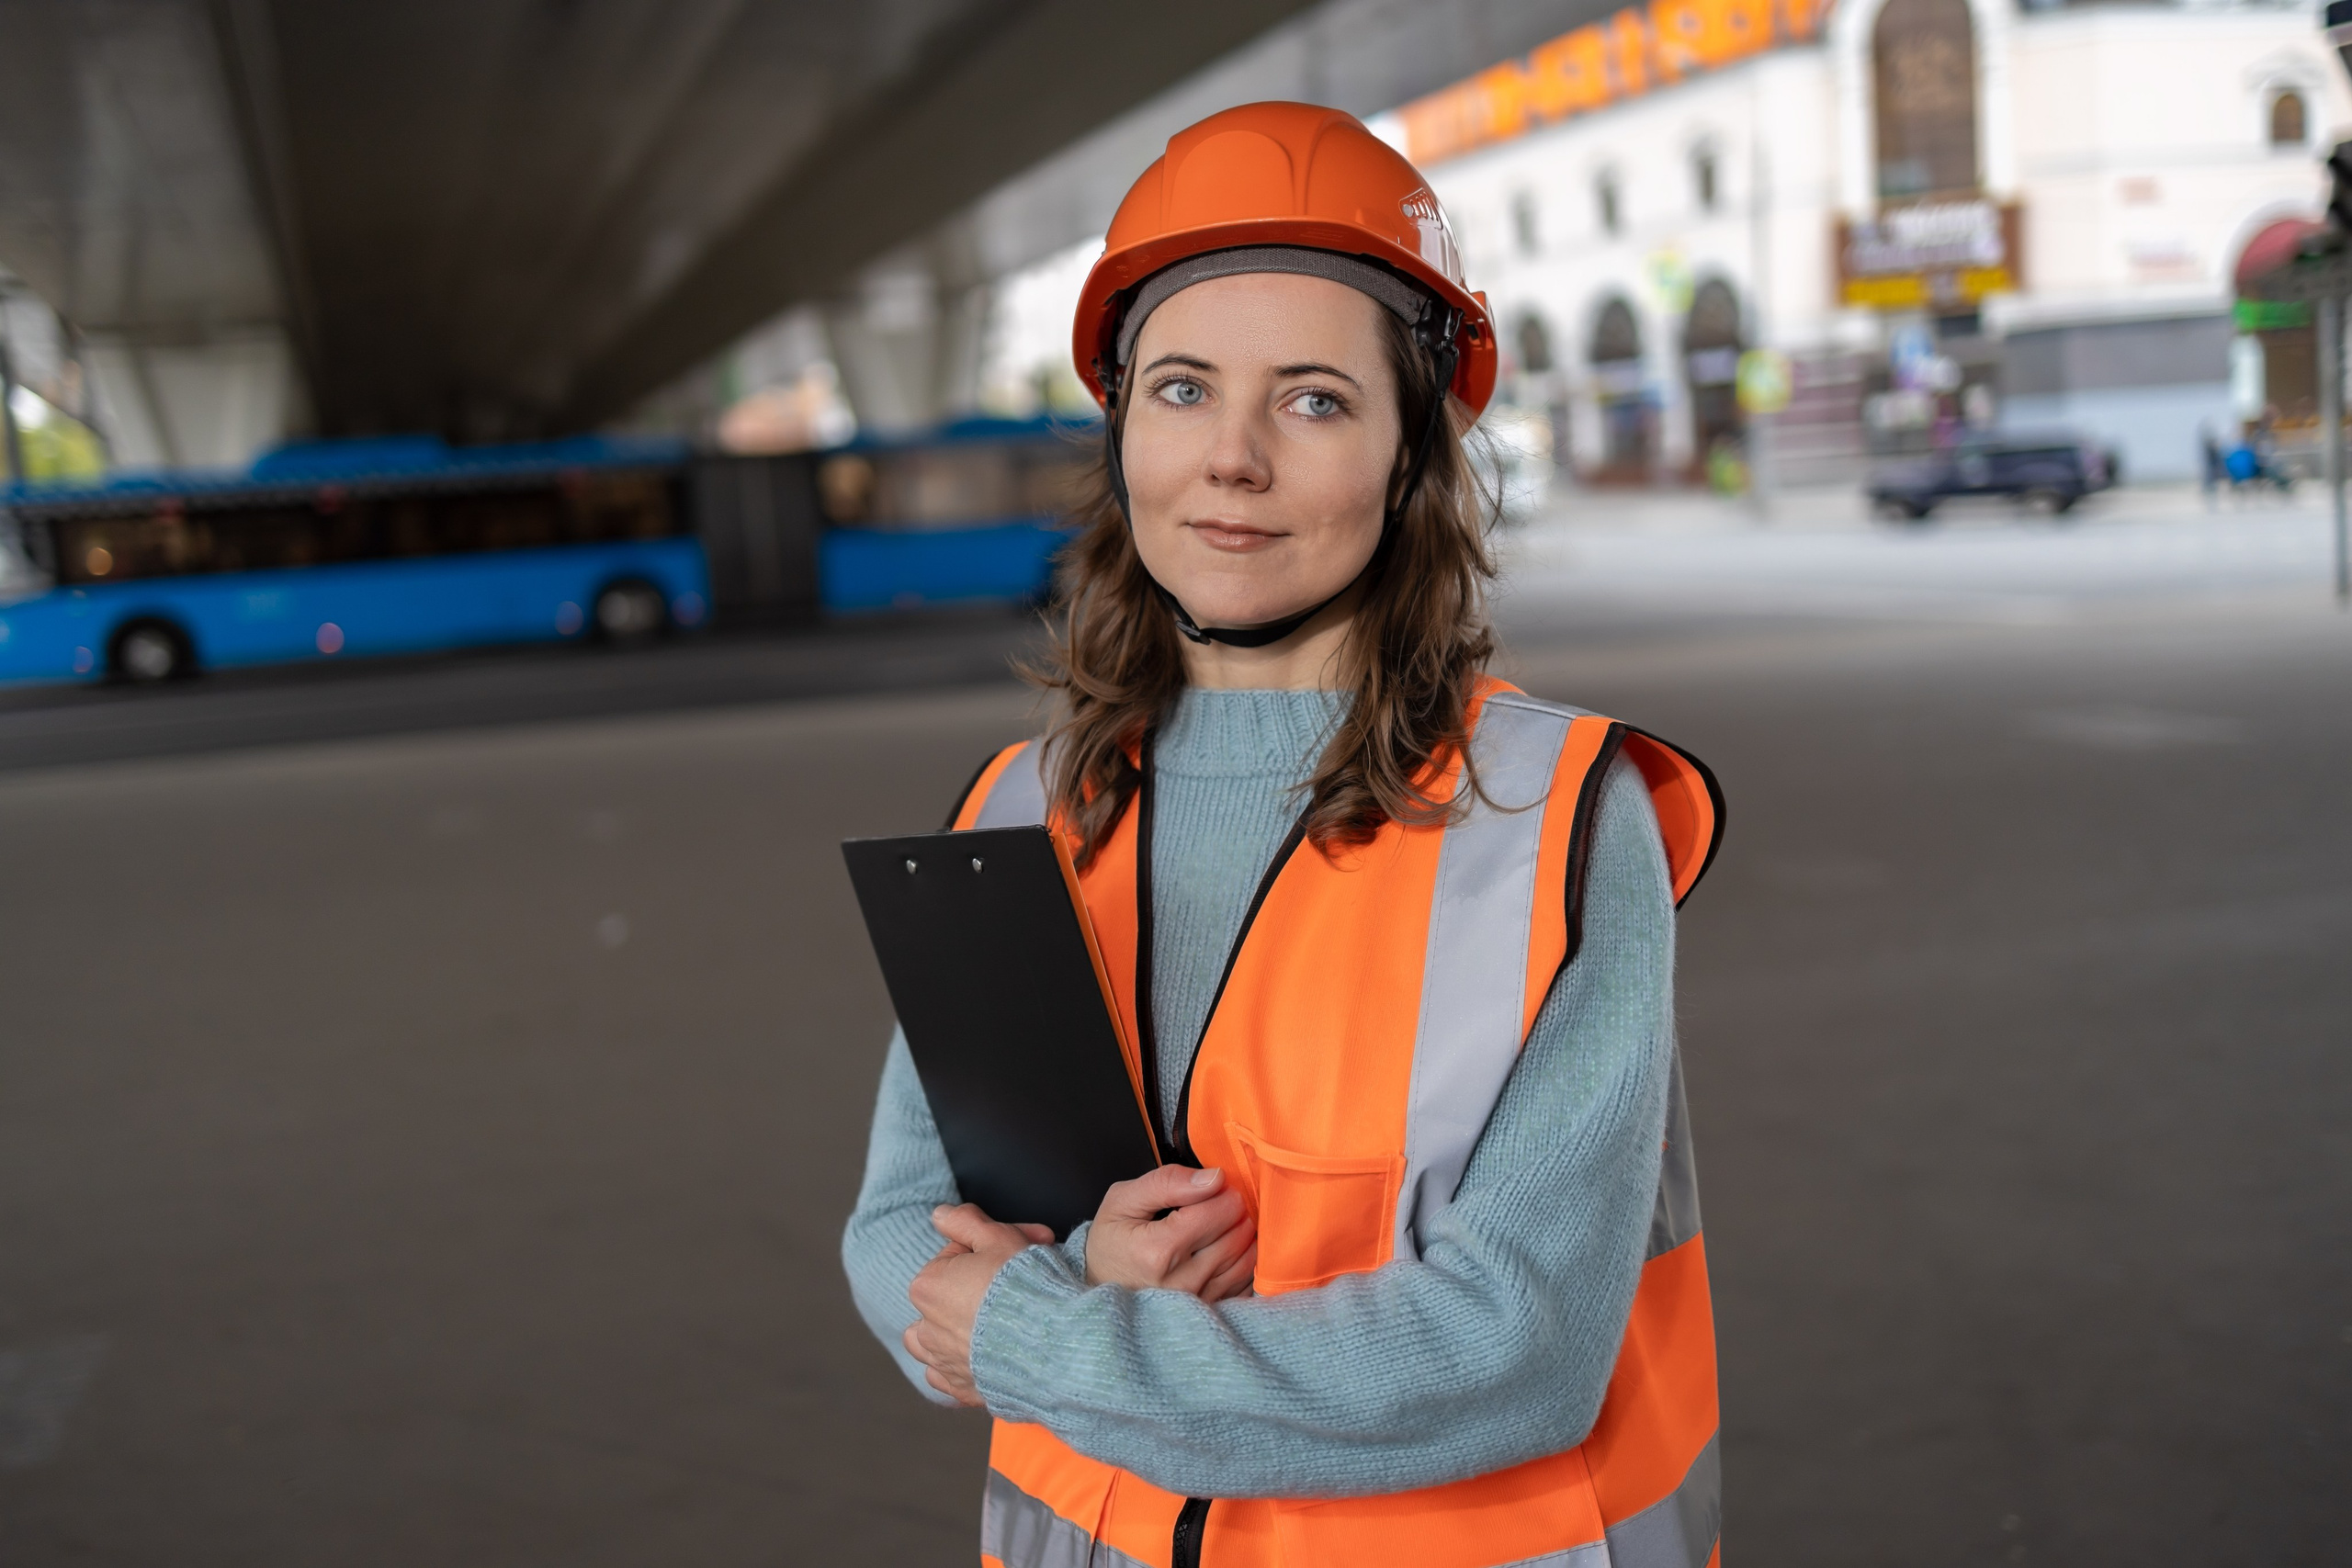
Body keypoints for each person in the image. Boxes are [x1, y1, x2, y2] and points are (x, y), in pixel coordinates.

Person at [841, 102, 1726, 1568]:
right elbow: (897, 1231)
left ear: (1409, 455)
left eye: (1313, 399)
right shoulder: (1021, 805)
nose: (1232, 458)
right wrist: (1073, 1285)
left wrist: (1055, 1334)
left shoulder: (1559, 823)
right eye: (1183, 389)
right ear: (1122, 424)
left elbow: (1516, 1348)